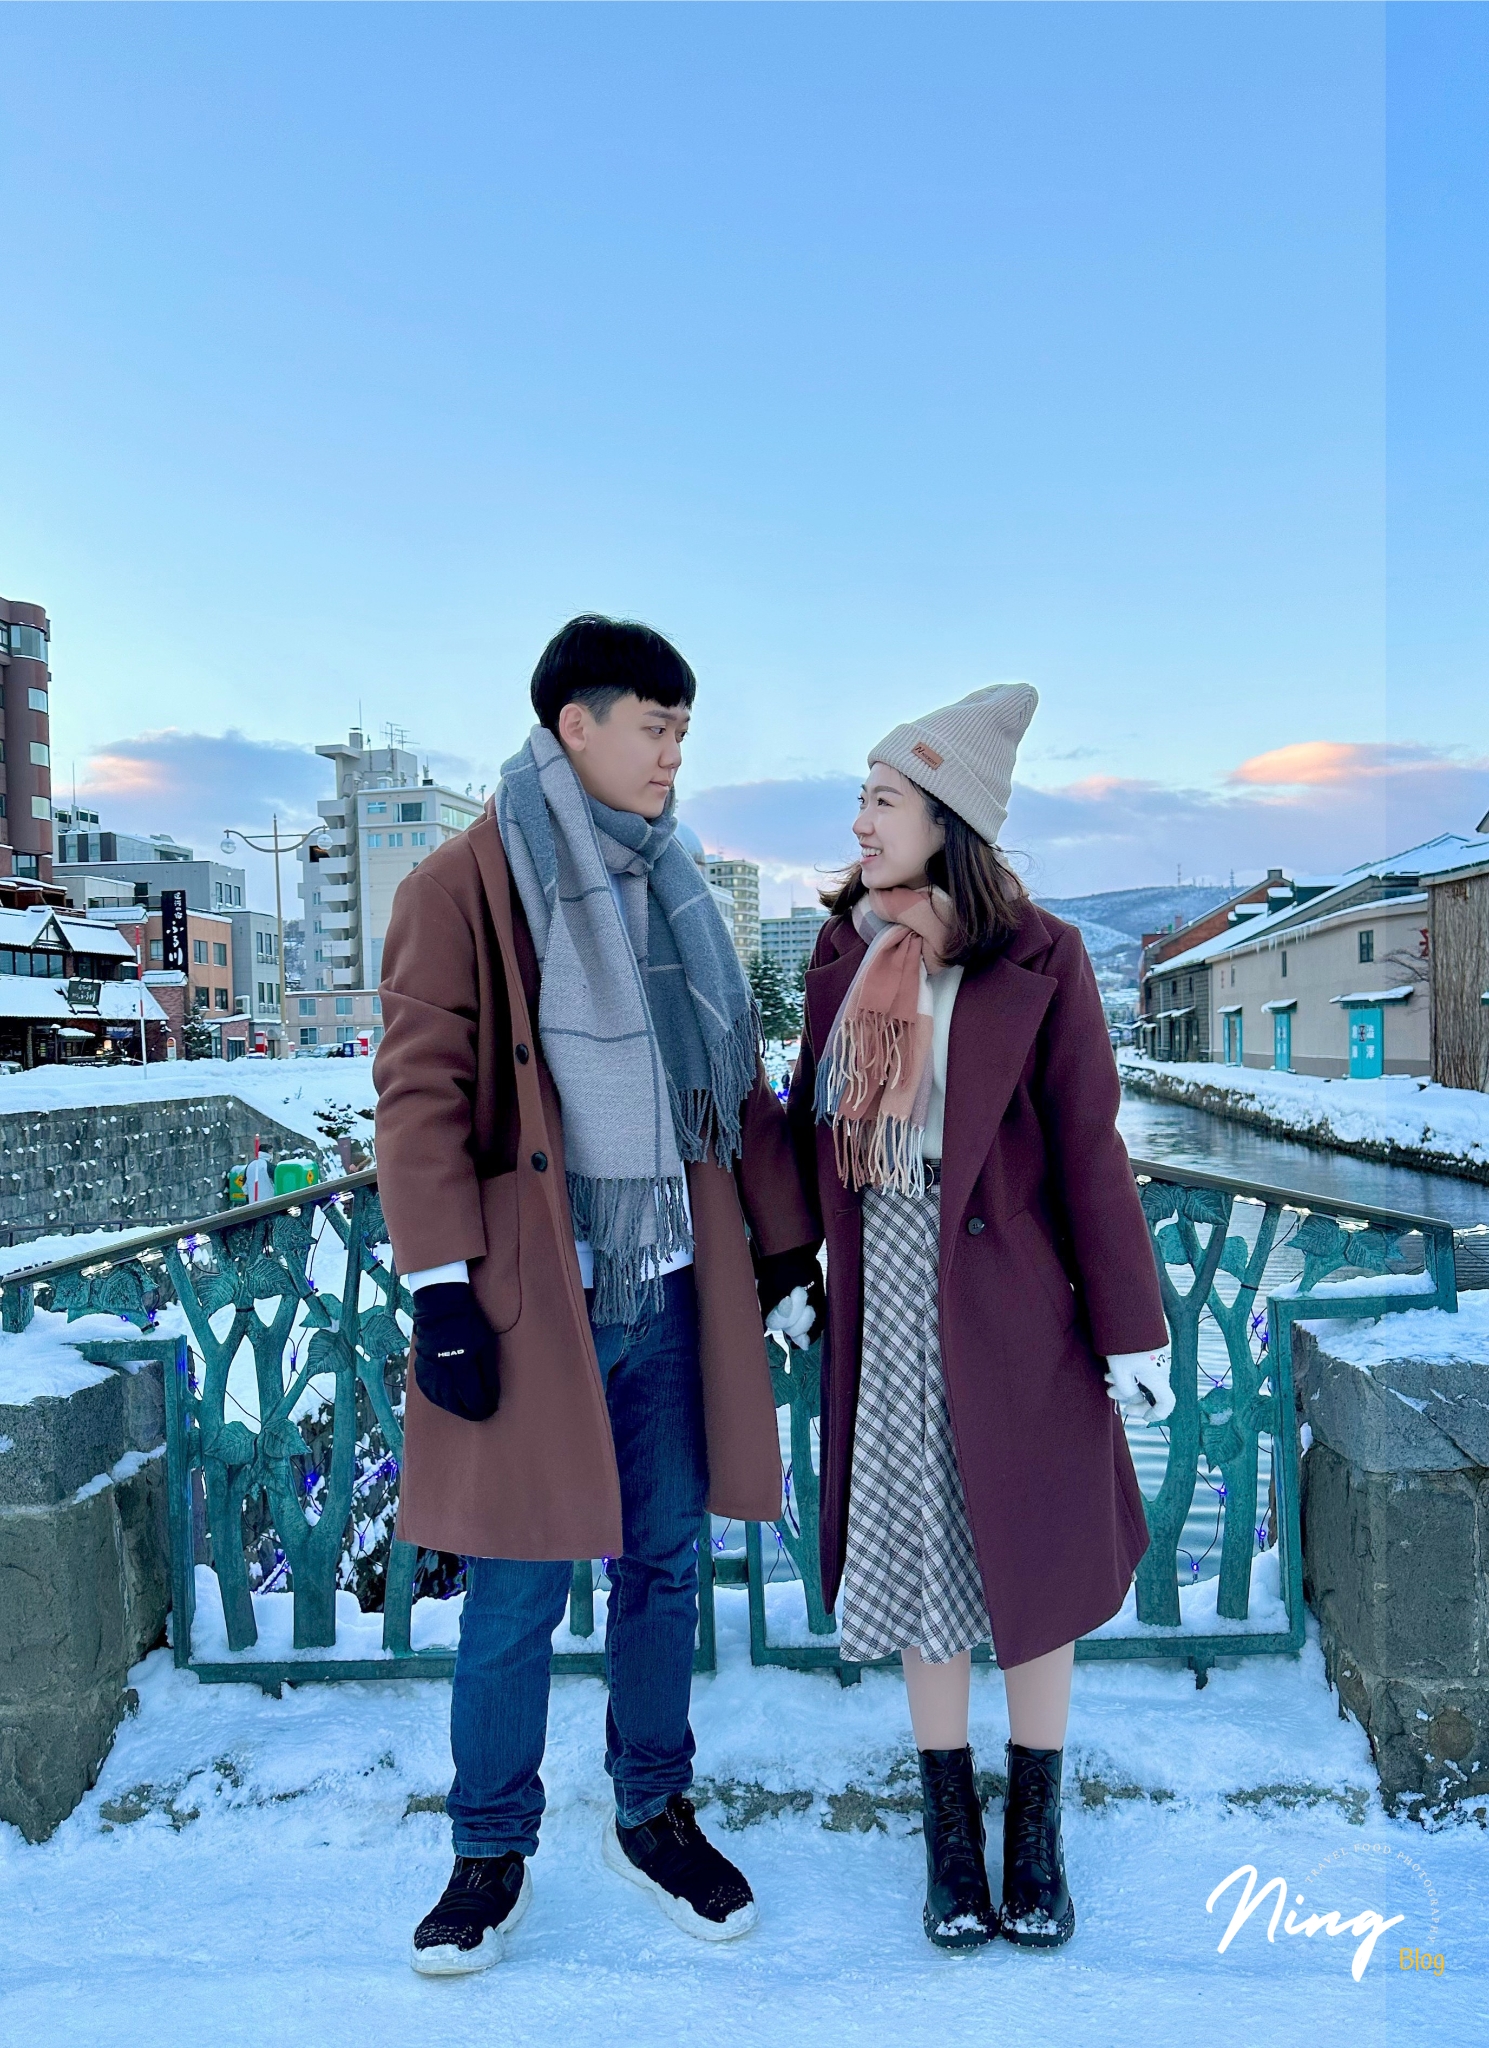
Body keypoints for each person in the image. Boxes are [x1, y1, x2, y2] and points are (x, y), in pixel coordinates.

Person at [374, 616, 822, 1975]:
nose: (675, 754)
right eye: (655, 726)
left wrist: (781, 1249)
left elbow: (733, 1084)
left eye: (684, 730)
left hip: (675, 1283)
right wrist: (441, 1290)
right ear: (576, 724)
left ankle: (651, 1810)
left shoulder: (675, 885)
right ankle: (487, 1848)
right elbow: (420, 1088)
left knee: (664, 1562)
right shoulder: (462, 884)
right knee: (515, 1584)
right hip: (538, 1299)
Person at [787, 683, 1172, 1953]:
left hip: (1017, 1303)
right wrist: (786, 1265)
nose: (860, 823)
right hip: (887, 1293)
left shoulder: (1042, 956)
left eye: (881, 800)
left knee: (1036, 1554)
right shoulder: (842, 953)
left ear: (946, 818)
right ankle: (950, 1833)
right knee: (918, 1552)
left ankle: (1035, 1832)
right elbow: (801, 1127)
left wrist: (1131, 1329)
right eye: (860, 799)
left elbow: (1089, 1148)